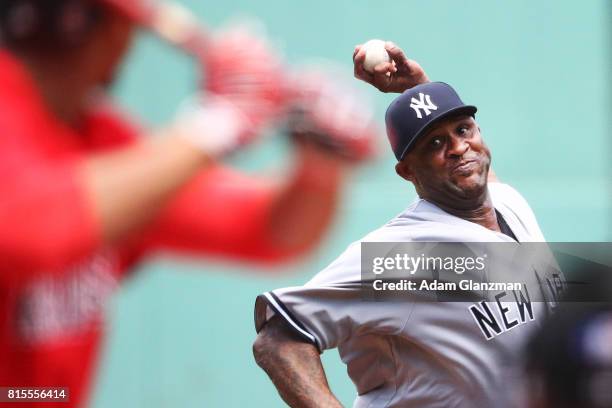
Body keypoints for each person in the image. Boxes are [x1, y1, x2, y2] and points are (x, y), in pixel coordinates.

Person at [0, 1, 378, 407]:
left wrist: (318, 167)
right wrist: (215, 123)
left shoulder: (94, 135)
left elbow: (267, 230)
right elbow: (22, 231)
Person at [252, 41, 560, 407]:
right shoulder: (402, 254)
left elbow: (475, 183)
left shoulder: (510, 205)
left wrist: (418, 90)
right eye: (434, 143)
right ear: (407, 171)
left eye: (464, 130)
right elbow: (278, 340)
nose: (459, 147)